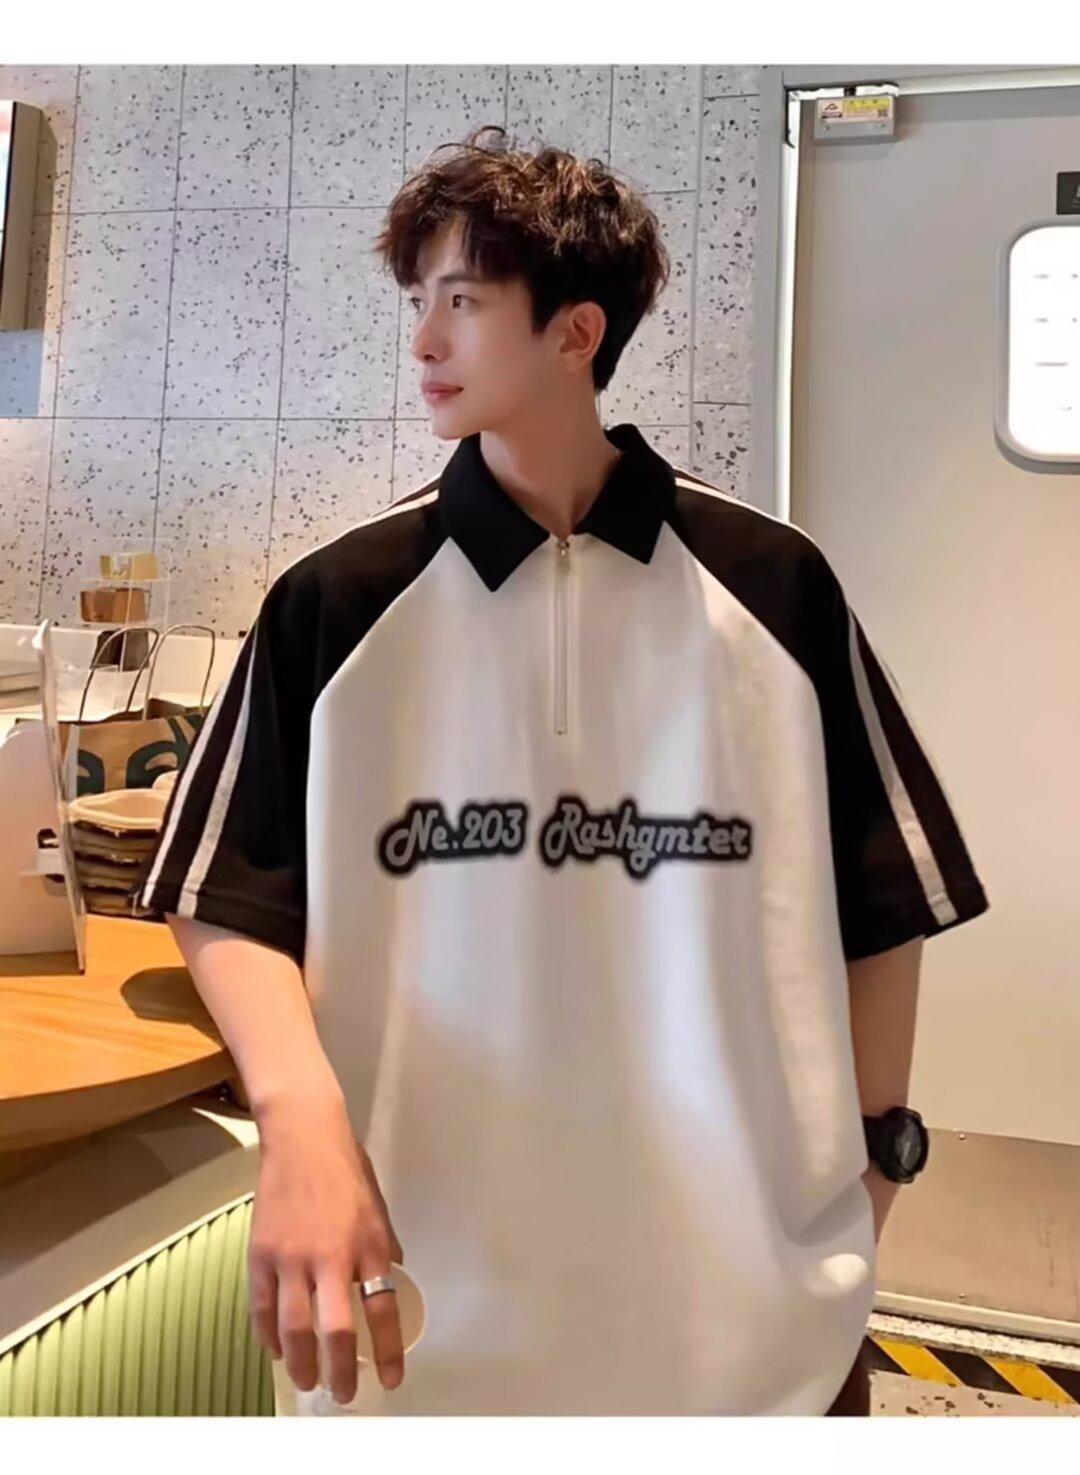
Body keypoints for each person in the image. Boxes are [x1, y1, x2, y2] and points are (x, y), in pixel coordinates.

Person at [138, 124, 989, 1416]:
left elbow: (888, 903)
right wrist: (299, 1120)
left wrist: (875, 1170)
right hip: (420, 1331)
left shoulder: (773, 586)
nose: (423, 341)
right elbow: (226, 895)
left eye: (464, 302)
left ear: (576, 333)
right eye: (416, 302)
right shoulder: (337, 601)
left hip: (751, 1338)